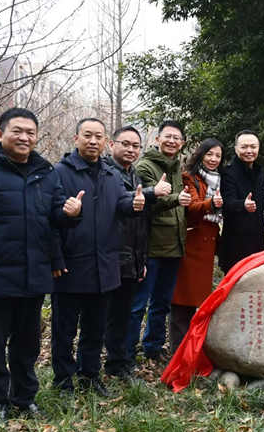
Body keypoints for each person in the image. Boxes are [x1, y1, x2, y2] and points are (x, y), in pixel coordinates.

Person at [0, 107, 83, 422]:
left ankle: (24, 398)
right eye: (17, 131)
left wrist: (71, 214)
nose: (24, 137)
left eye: (30, 133)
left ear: (36, 137)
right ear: (0, 134)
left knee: (27, 344)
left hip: (34, 275)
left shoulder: (44, 173)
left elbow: (53, 219)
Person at [52, 118, 144, 398]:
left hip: (105, 264)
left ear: (105, 141)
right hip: (71, 263)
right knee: (65, 329)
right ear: (76, 138)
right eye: (87, 135)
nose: (93, 141)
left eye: (98, 136)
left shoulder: (111, 174)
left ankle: (90, 376)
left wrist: (136, 203)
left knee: (94, 328)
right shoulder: (59, 172)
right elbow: (49, 219)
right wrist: (56, 258)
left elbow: (122, 204)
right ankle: (63, 381)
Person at [102, 126, 171, 380]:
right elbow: (115, 198)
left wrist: (141, 260)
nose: (131, 150)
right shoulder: (105, 171)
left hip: (131, 256)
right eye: (126, 144)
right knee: (109, 314)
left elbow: (141, 224)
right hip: (110, 254)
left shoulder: (134, 175)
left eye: (135, 146)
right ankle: (101, 366)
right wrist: (152, 193)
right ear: (112, 144)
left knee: (123, 313)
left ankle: (118, 363)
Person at [128, 120, 192, 362]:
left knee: (162, 302)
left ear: (182, 143)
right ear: (157, 139)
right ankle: (126, 353)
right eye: (168, 136)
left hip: (174, 246)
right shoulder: (145, 166)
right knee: (138, 304)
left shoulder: (176, 167)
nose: (172, 141)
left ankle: (153, 348)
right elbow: (149, 199)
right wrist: (177, 198)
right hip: (152, 246)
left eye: (177, 138)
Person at [169, 138, 225, 353]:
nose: (213, 159)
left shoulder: (219, 179)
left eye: (218, 156)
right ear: (200, 155)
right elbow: (192, 206)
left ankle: (192, 347)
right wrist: (212, 204)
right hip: (192, 244)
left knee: (197, 299)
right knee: (182, 299)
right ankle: (178, 349)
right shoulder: (190, 177)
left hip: (208, 244)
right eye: (209, 154)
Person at [219, 130, 264, 274]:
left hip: (257, 239)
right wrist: (243, 205)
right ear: (236, 149)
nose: (249, 151)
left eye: (253, 147)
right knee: (235, 282)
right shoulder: (228, 172)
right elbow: (226, 204)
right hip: (236, 241)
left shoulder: (260, 172)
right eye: (244, 147)